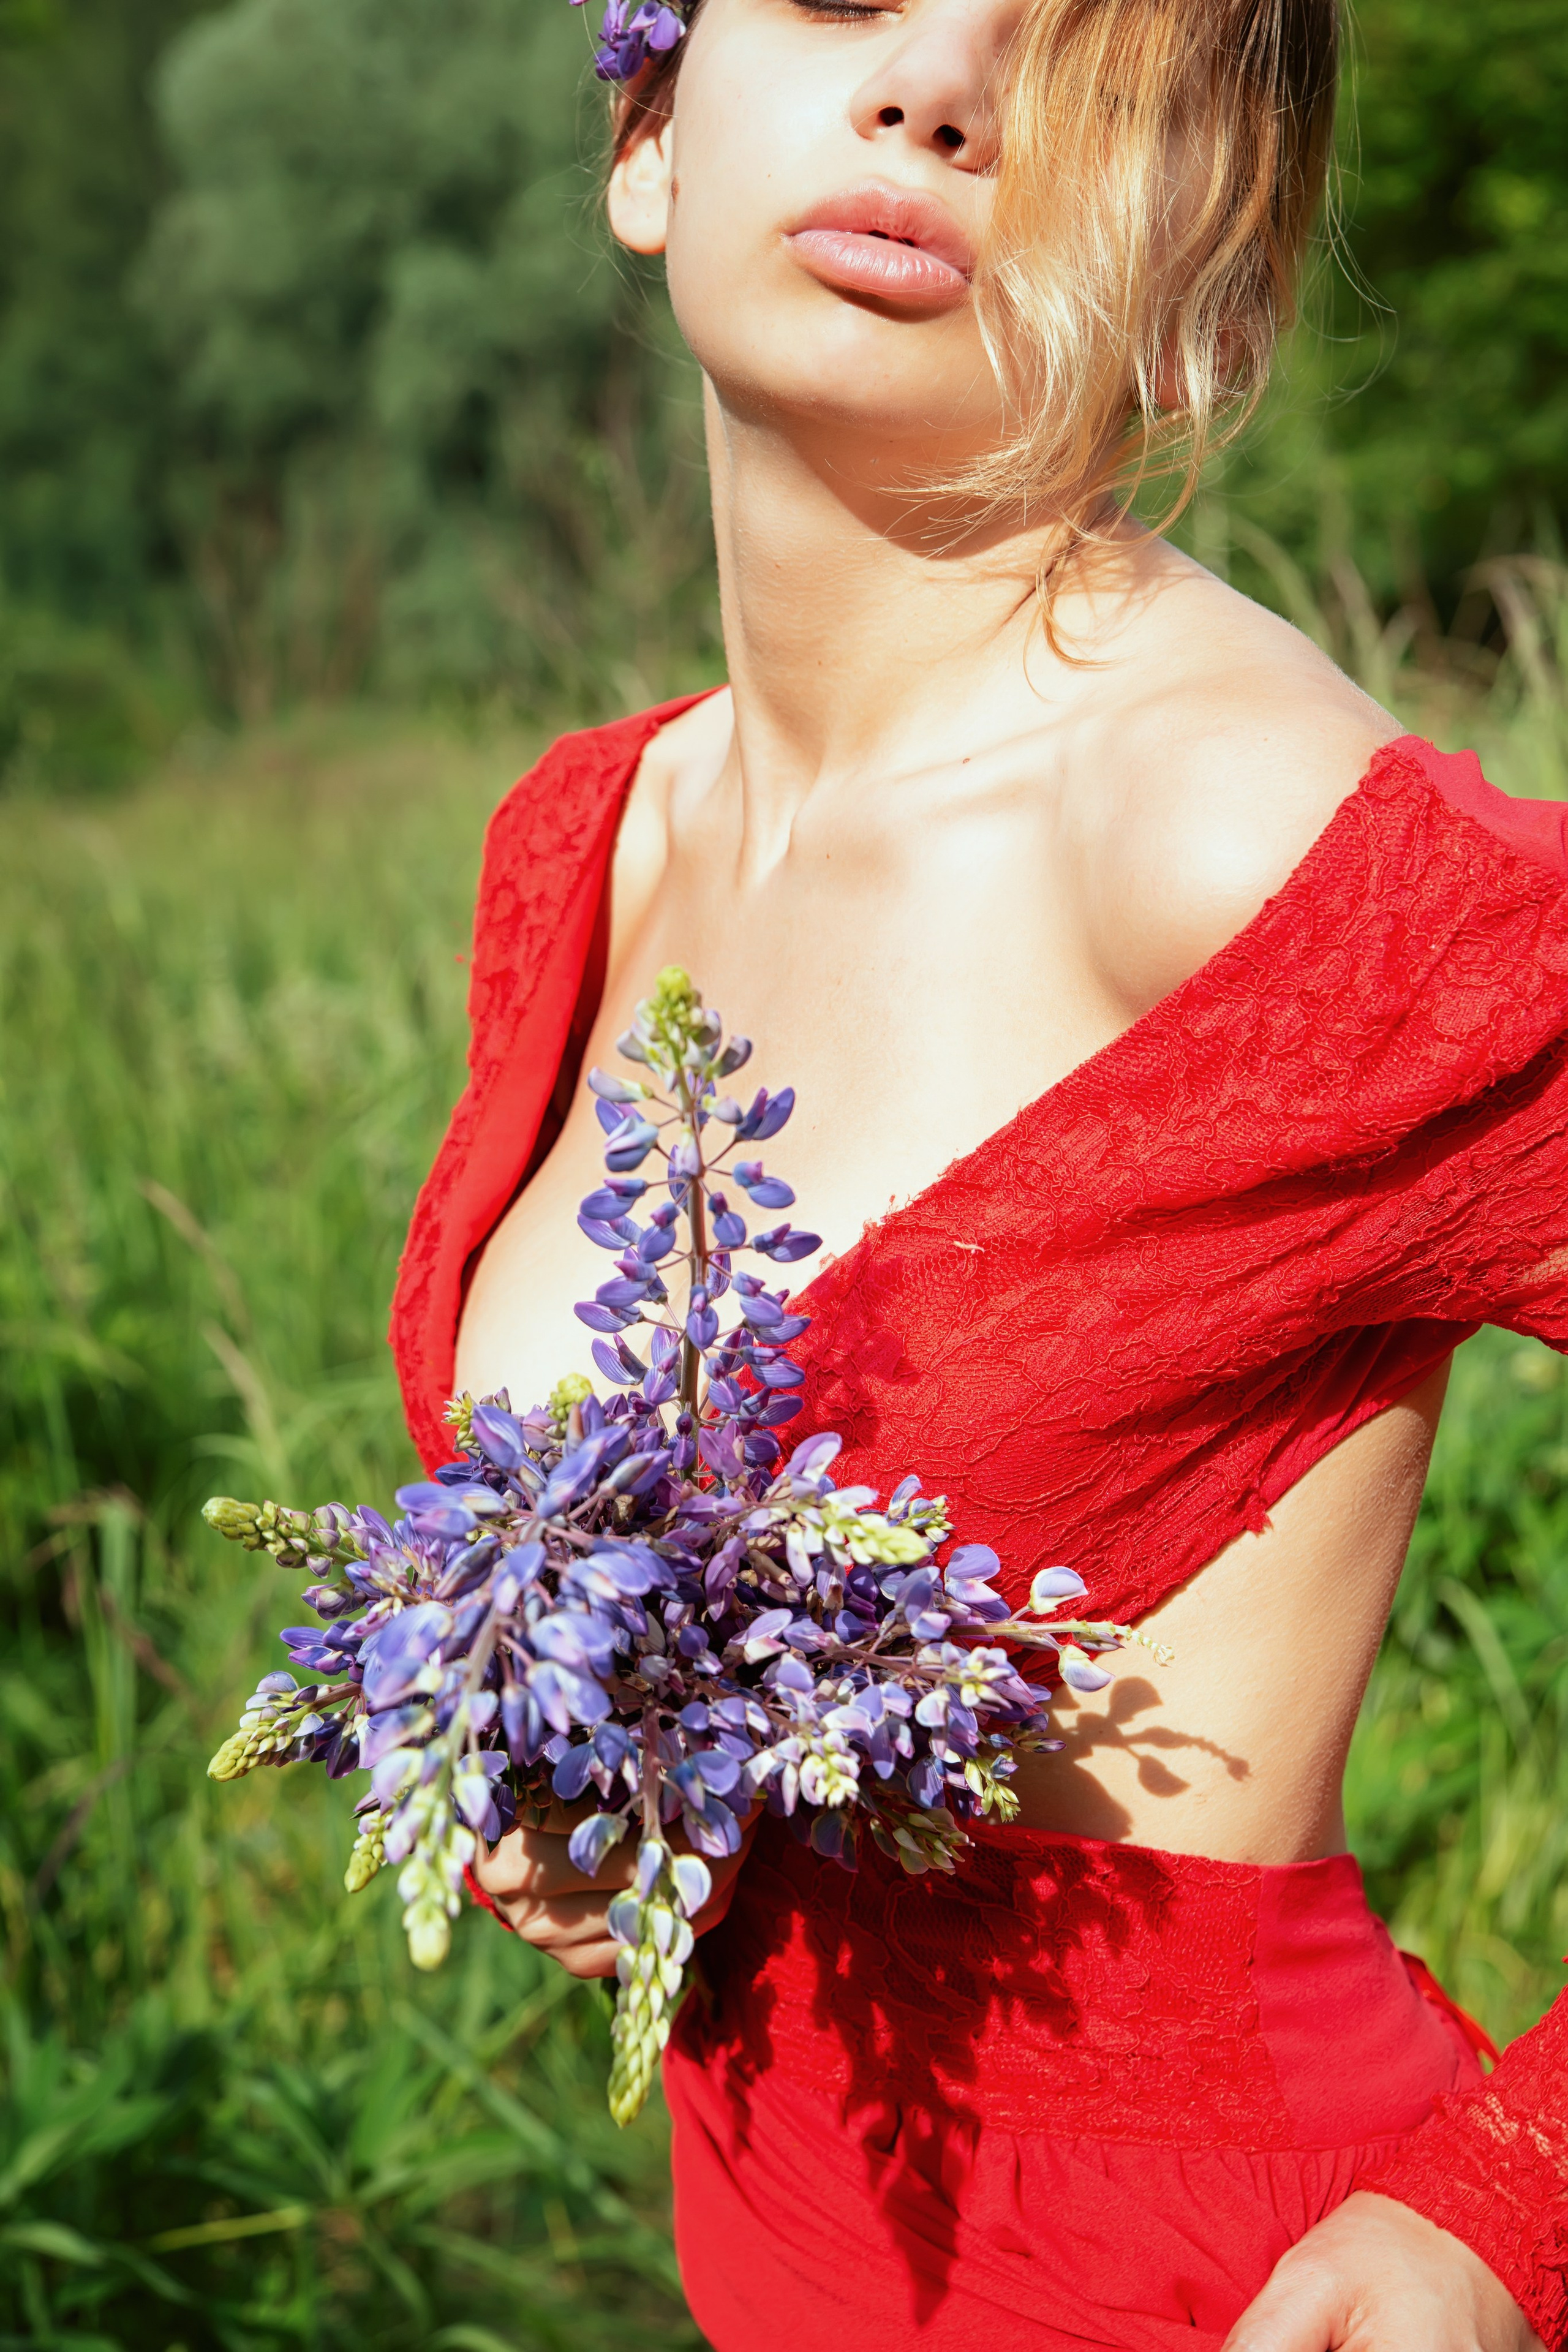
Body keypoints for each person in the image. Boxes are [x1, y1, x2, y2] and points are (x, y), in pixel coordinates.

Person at [388, 0, 1568, 2343]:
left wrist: (1509, 2203)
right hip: (786, 2258)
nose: (938, 85)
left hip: (1220, 2286)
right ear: (646, 134)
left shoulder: (1233, 836)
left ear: (1215, 284)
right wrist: (586, 1757)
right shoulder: (588, 841)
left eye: (1089, 50)